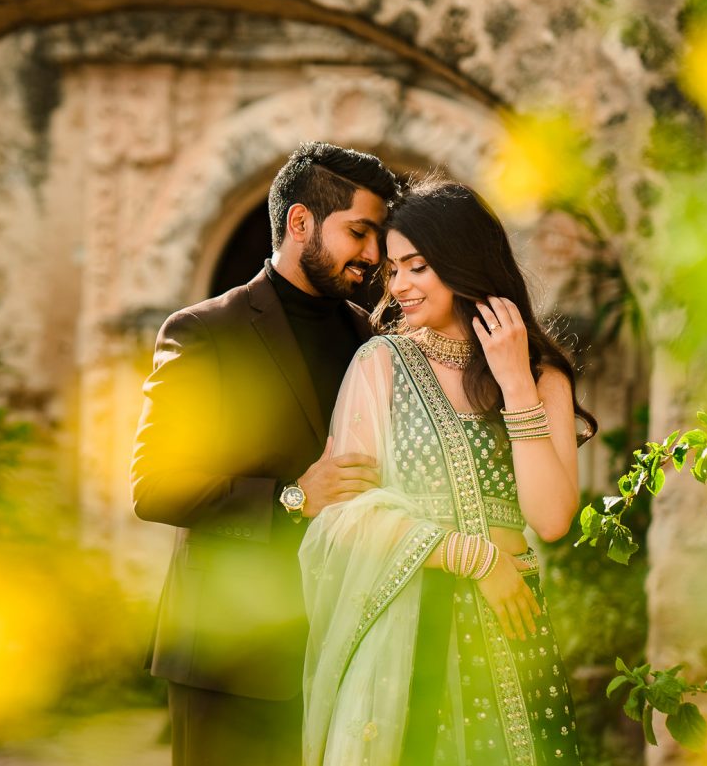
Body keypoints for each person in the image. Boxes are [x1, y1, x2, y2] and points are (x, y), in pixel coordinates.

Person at [300, 173, 597, 766]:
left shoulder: (541, 378)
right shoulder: (381, 362)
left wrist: (515, 381)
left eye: (417, 267)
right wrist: (473, 557)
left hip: (512, 632)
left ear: (463, 264)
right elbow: (347, 517)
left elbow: (553, 517)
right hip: (405, 636)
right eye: (392, 270)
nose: (400, 286)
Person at [131, 142, 400, 765]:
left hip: (339, 643)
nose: (373, 255)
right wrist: (293, 496)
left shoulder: (372, 340)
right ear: (300, 222)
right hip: (227, 653)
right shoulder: (201, 330)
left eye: (379, 237)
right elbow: (154, 485)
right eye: (359, 232)